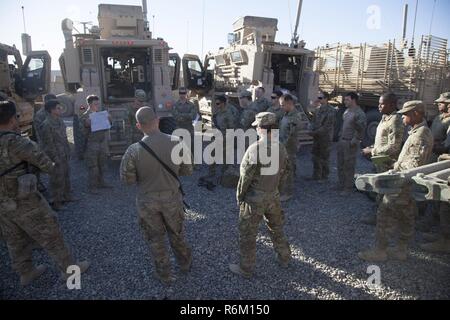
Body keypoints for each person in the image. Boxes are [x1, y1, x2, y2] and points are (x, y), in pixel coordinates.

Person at [0, 100, 89, 286]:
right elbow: (46, 164)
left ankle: (26, 273)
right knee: (51, 233)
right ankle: (69, 270)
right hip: (24, 201)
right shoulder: (17, 142)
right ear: (11, 119)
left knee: (14, 239)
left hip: (3, 204)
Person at [120, 107, 193, 284]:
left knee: (155, 239)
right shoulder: (177, 142)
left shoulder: (133, 150)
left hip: (147, 200)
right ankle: (185, 264)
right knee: (177, 233)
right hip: (172, 198)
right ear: (158, 120)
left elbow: (127, 180)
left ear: (138, 126)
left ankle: (165, 274)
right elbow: (188, 170)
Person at [359, 101, 433, 262]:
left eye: (406, 114)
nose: (403, 117)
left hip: (401, 184)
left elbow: (414, 165)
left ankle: (380, 251)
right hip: (407, 183)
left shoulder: (420, 135)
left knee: (384, 214)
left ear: (416, 114)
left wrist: (395, 168)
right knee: (406, 216)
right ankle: (401, 250)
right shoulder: (418, 131)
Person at [230, 112, 291, 278]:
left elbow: (245, 177)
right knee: (277, 228)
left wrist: (240, 197)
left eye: (256, 127)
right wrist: (277, 187)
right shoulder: (282, 147)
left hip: (254, 198)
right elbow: (286, 172)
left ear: (263, 129)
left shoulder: (255, 149)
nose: (255, 129)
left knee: (248, 234)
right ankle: (284, 257)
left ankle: (246, 268)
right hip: (273, 195)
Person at [360, 93, 405, 225]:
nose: (379, 106)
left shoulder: (396, 120)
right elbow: (383, 140)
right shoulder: (385, 117)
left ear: (392, 104)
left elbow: (394, 146)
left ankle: (382, 218)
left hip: (387, 162)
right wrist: (372, 147)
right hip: (380, 160)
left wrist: (372, 151)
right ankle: (379, 214)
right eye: (379, 103)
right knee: (378, 187)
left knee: (384, 190)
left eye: (382, 104)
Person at [40, 100, 75, 211]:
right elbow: (49, 144)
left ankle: (67, 196)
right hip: (56, 155)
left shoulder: (60, 121)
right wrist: (55, 158)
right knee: (56, 179)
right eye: (58, 108)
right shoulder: (47, 124)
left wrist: (68, 151)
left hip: (63, 153)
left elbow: (65, 138)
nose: (60, 110)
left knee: (66, 175)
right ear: (52, 110)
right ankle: (56, 203)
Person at [79, 95, 112, 194]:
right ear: (89, 104)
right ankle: (92, 187)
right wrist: (87, 123)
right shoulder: (85, 116)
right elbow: (82, 131)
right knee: (93, 167)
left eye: (98, 103)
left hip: (102, 143)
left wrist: (109, 119)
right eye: (95, 104)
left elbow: (107, 127)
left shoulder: (101, 114)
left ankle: (101, 182)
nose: (98, 105)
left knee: (102, 164)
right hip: (92, 144)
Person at [336, 92, 367, 195]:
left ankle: (348, 188)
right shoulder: (347, 111)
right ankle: (342, 185)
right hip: (342, 141)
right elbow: (343, 126)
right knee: (340, 164)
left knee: (348, 166)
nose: (345, 101)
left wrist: (355, 140)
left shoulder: (359, 113)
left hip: (350, 143)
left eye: (347, 100)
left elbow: (361, 129)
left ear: (353, 100)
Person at [206, 95, 236, 185]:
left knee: (225, 157)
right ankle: (211, 172)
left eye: (218, 103)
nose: (217, 105)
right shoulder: (218, 112)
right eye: (216, 103)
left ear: (223, 103)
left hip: (225, 138)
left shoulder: (228, 114)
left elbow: (232, 128)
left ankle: (225, 176)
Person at [279, 94, 302, 202]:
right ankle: (283, 189)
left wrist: (281, 146)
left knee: (288, 170)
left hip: (288, 147)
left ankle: (288, 192)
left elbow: (290, 135)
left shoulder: (295, 117)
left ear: (289, 103)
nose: (281, 107)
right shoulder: (286, 114)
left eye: (283, 105)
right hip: (283, 146)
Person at [308, 92, 336, 181]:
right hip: (317, 137)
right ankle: (316, 175)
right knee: (315, 156)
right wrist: (311, 130)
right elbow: (313, 121)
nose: (318, 99)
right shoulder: (318, 109)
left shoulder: (331, 110)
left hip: (325, 137)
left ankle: (324, 176)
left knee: (324, 157)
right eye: (318, 97)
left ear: (326, 99)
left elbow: (327, 126)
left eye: (320, 98)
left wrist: (314, 132)